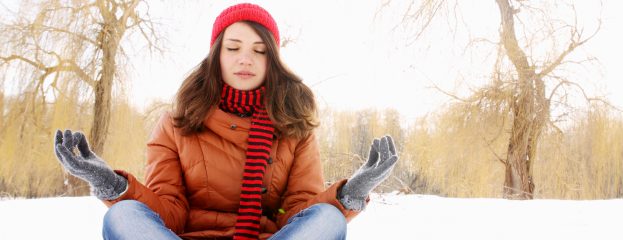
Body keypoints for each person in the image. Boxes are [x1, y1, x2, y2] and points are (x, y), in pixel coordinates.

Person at [53, 3, 399, 240]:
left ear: (272, 60)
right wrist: (112, 185)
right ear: (216, 54)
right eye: (233, 47)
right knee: (122, 215)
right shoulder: (175, 124)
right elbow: (169, 214)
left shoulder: (295, 129)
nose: (245, 58)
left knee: (328, 219)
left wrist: (350, 194)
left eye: (259, 50)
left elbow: (294, 215)